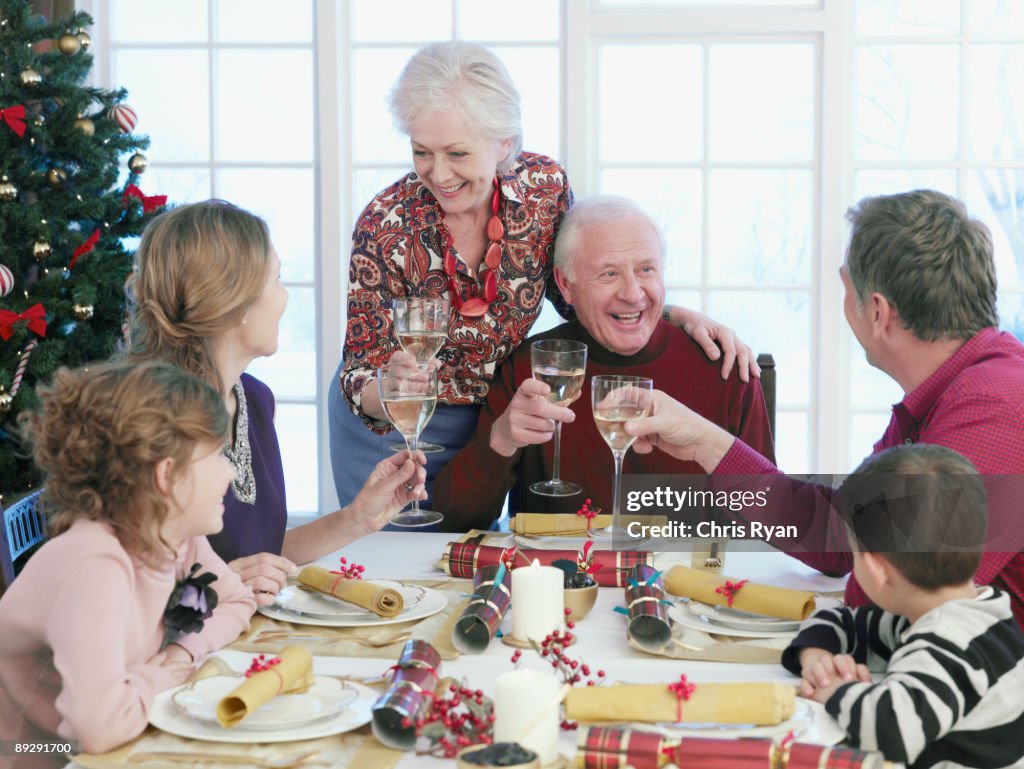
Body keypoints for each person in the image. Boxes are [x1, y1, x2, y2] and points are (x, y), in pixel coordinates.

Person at [329, 41, 758, 512]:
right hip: (394, 425)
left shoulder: (543, 191)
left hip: (496, 410)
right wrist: (393, 393)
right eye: (422, 152)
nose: (439, 173)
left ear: (504, 143)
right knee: (399, 558)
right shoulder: (385, 223)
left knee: (461, 548)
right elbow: (359, 369)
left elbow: (576, 287)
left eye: (457, 153)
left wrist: (671, 313)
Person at [625, 190, 1024, 627]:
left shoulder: (996, 409)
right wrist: (705, 442)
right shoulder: (949, 391)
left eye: (845, 287)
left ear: (877, 312)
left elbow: (888, 602)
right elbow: (839, 535)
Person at [125, 200, 426, 605]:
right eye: (277, 279)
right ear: (238, 302)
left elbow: (261, 555)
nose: (285, 297)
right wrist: (214, 591)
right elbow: (121, 594)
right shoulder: (148, 422)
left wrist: (357, 518)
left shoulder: (254, 399)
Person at [431, 196, 774, 529]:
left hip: (687, 580)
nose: (633, 293)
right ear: (566, 285)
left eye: (646, 269)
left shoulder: (725, 366)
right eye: (609, 274)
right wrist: (500, 441)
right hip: (561, 581)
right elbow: (456, 519)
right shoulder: (532, 367)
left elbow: (772, 520)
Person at [0, 361, 257, 768]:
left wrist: (180, 653)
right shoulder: (93, 566)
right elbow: (99, 729)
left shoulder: (174, 534)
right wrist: (164, 676)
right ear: (166, 475)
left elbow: (238, 600)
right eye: (216, 456)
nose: (231, 471)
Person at [782, 444, 1024, 769]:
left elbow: (891, 730)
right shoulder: (970, 613)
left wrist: (836, 690)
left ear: (877, 570)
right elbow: (841, 621)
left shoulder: (946, 644)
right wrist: (815, 658)